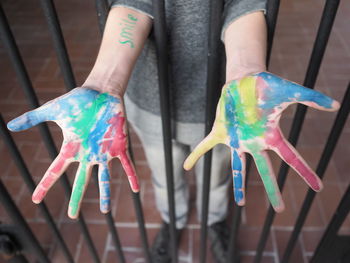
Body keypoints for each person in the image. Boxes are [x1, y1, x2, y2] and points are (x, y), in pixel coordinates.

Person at [7, 0, 340, 262]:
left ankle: (214, 220)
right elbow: (133, 2)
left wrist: (247, 71)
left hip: (224, 108)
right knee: (163, 171)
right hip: (149, 99)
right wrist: (103, 83)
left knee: (219, 173)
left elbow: (244, 3)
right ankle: (174, 218)